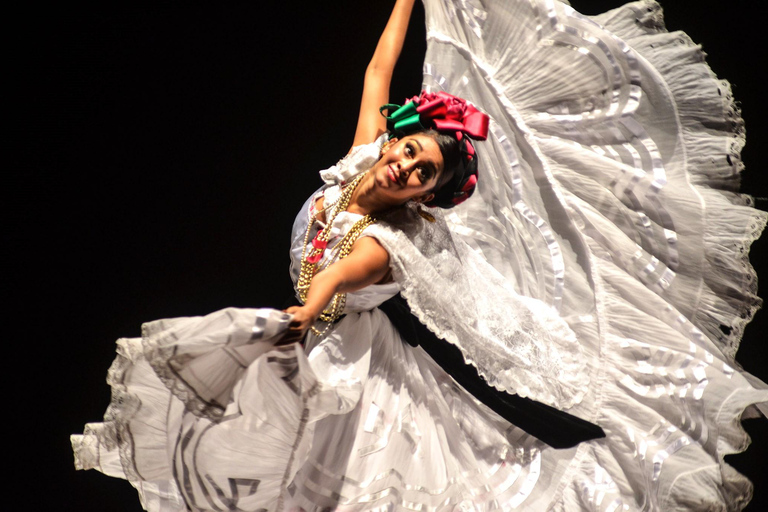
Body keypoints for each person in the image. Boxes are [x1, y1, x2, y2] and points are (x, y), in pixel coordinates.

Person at [72, 0, 768, 510]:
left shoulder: (385, 246)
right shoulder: (357, 161)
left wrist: (304, 311)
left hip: (344, 355)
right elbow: (379, 71)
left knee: (358, 480)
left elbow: (338, 276)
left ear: (426, 197)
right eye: (408, 149)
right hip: (325, 347)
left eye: (422, 170)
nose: (404, 164)